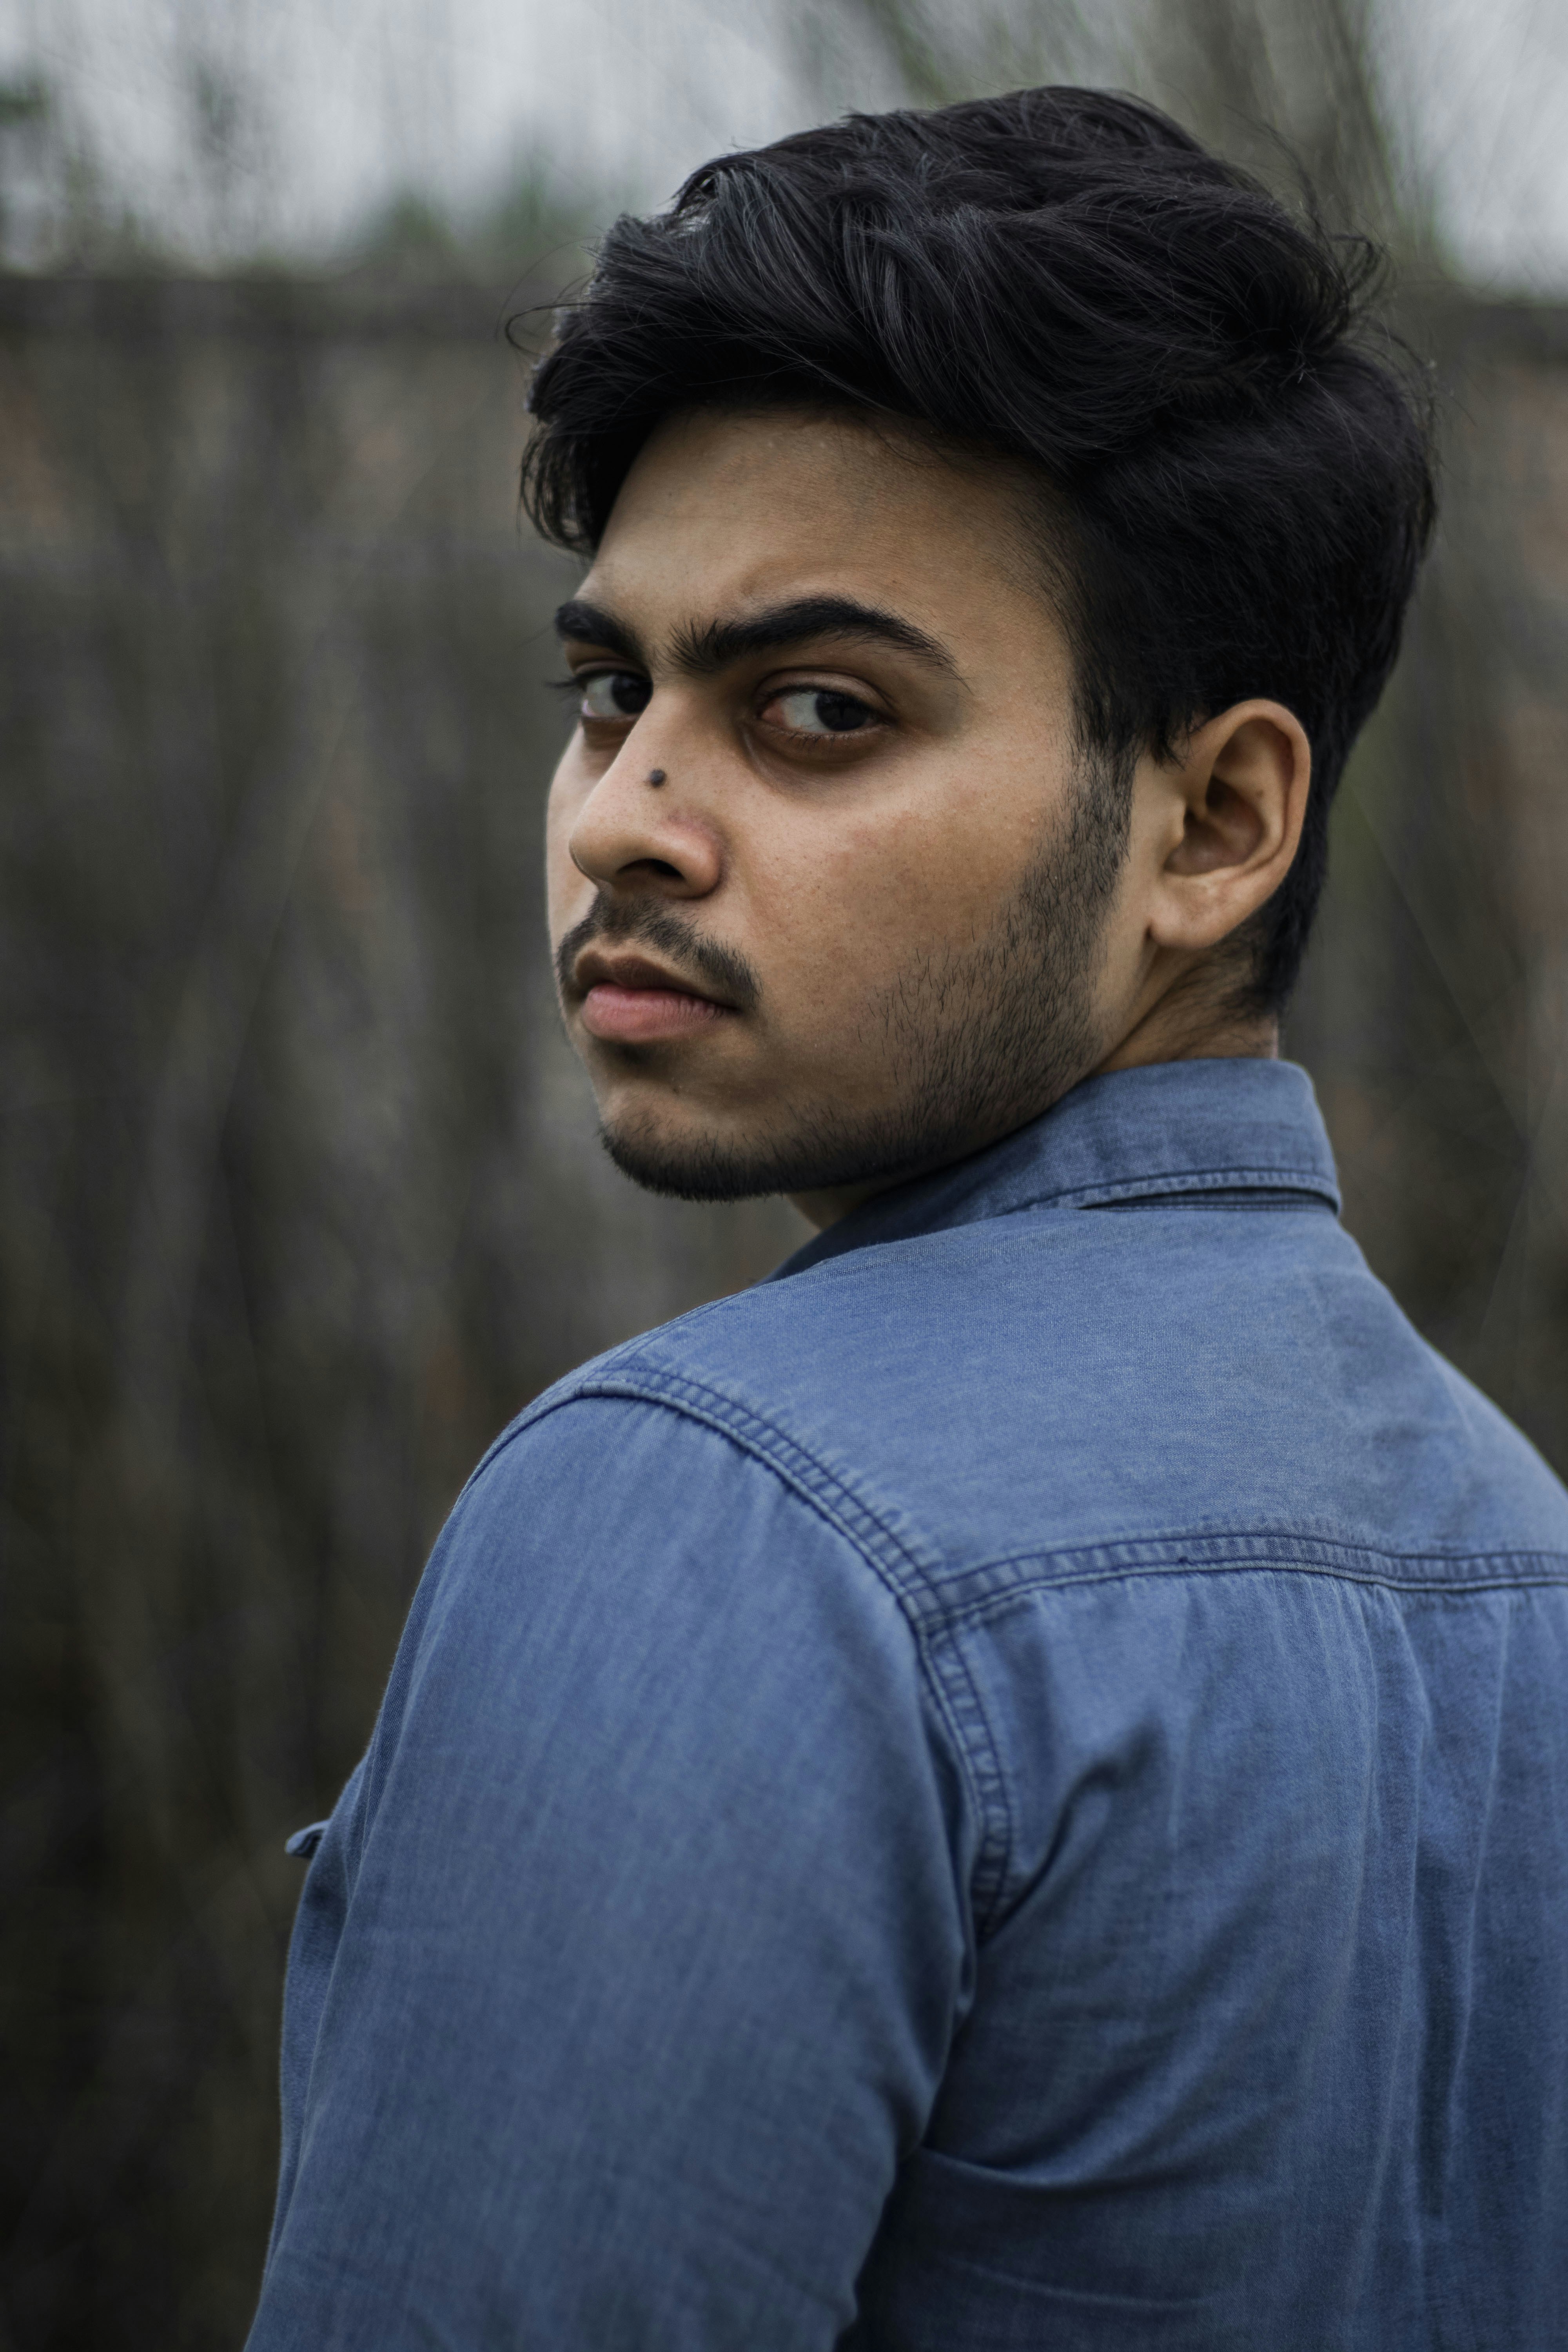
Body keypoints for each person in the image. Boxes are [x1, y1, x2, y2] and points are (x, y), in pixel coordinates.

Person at [244, 89, 1568, 2351]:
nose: (629, 816)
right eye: (608, 690)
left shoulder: (714, 1520)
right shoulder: (1517, 1550)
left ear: (1217, 822)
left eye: (820, 711)